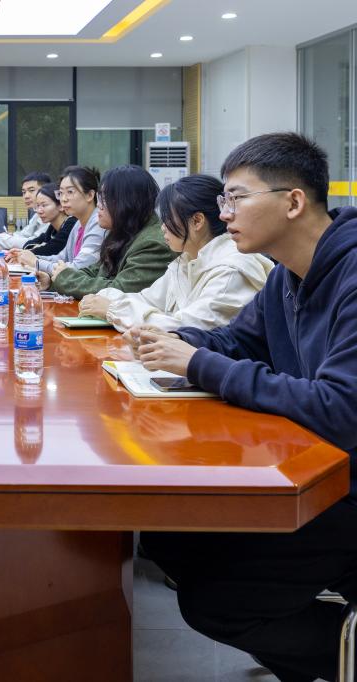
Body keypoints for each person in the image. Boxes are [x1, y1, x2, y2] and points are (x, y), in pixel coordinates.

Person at [128, 132, 357, 682]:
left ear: (293, 202)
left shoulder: (350, 275)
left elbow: (340, 409)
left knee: (216, 603)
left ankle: (334, 654)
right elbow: (236, 343)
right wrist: (174, 343)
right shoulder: (287, 274)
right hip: (317, 470)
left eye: (235, 198)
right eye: (222, 199)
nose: (223, 213)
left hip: (344, 487)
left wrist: (198, 364)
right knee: (167, 537)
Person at [80, 174, 273, 331]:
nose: (162, 227)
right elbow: (148, 299)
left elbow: (185, 328)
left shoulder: (231, 270)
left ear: (197, 221)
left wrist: (113, 309)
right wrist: (102, 298)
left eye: (168, 219)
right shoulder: (187, 260)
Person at [41, 164, 175, 298]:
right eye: (100, 198)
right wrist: (52, 281)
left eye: (104, 200)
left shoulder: (152, 244)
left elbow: (119, 290)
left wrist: (64, 279)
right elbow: (96, 271)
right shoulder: (125, 231)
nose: (98, 205)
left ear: (128, 202)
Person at [8, 166, 103, 276]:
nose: (63, 199)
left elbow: (79, 267)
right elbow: (62, 258)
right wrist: (27, 257)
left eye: (70, 192)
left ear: (90, 195)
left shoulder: (98, 223)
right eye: (61, 193)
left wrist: (36, 262)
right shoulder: (78, 224)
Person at [0, 171, 51, 250]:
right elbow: (23, 234)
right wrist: (6, 236)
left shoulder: (51, 213)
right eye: (24, 192)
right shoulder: (37, 214)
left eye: (31, 190)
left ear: (46, 191)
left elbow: (33, 243)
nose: (26, 196)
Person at [11, 183, 76, 257]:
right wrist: (31, 250)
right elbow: (30, 243)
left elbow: (53, 248)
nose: (39, 211)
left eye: (44, 205)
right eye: (37, 206)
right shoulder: (52, 228)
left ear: (61, 206)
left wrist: (25, 253)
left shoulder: (71, 223)